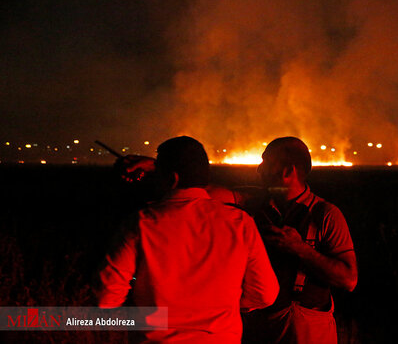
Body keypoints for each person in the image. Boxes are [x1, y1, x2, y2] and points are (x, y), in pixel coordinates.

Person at [96, 136, 279, 343]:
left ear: (171, 178)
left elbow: (106, 299)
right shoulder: (240, 223)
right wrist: (224, 308)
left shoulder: (141, 223)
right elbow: (265, 294)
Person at [237, 137, 358, 344]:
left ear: (287, 171)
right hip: (261, 328)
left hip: (309, 332)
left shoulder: (326, 214)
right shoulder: (256, 209)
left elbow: (349, 280)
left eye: (265, 162)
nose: (259, 169)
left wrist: (301, 249)